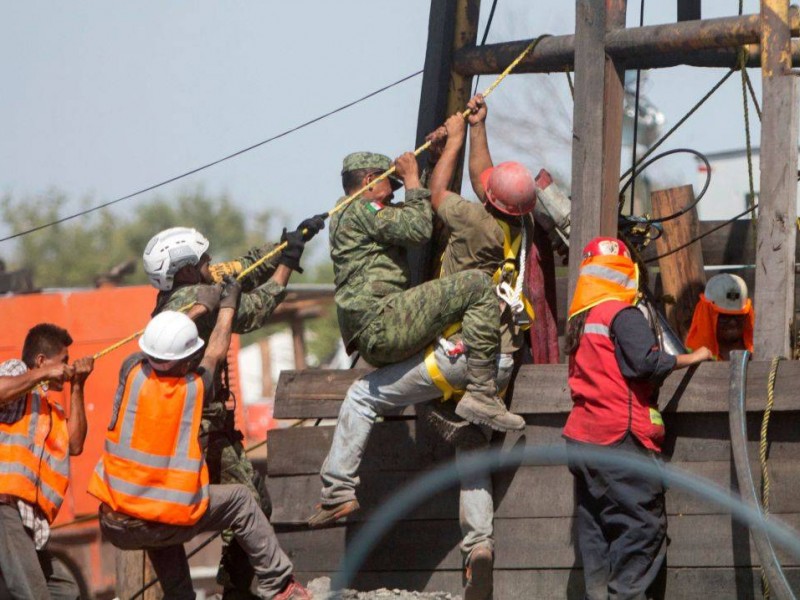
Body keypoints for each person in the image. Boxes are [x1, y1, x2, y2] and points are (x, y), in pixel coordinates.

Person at [309, 98, 533, 600]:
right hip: (500, 360)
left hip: (457, 356)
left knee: (365, 396)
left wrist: (434, 157)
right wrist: (474, 132)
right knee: (471, 448)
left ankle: (337, 487)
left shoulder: (470, 221)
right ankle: (479, 546)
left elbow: (428, 207)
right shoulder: (520, 225)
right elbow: (484, 175)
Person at [88, 279, 310, 600]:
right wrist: (227, 307)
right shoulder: (192, 389)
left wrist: (196, 310)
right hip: (152, 516)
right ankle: (282, 586)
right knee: (241, 501)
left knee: (164, 518)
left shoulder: (131, 372)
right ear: (186, 360)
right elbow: (216, 353)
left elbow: (160, 347)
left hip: (115, 519)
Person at [142, 220, 322, 597]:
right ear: (187, 270)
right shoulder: (189, 303)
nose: (212, 261)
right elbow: (256, 308)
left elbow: (240, 269)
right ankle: (239, 590)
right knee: (250, 507)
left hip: (211, 430)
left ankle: (236, 586)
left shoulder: (192, 288)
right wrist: (288, 262)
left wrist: (287, 242)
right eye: (204, 258)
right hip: (202, 434)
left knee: (255, 504)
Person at [329, 149, 523, 432]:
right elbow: (419, 227)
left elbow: (412, 211)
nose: (393, 195)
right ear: (370, 181)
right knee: (478, 284)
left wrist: (431, 162)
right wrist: (409, 178)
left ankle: (454, 408)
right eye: (389, 187)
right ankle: (482, 394)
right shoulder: (359, 208)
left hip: (379, 324)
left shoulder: (359, 212)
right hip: (384, 319)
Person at [563, 237, 712, 600]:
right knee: (643, 528)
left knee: (596, 527)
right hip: (620, 437)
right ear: (626, 272)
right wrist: (693, 358)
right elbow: (644, 363)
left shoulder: (581, 318)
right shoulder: (621, 313)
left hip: (583, 439)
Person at [0, 323, 95, 599]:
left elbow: (75, 443)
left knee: (67, 592)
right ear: (41, 360)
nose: (66, 368)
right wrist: (43, 373)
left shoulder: (50, 410)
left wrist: (78, 385)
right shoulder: (16, 373)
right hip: (5, 509)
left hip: (29, 522)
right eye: (63, 361)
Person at [685, 273, 754, 360]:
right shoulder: (691, 356)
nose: (732, 322)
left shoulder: (763, 349)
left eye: (738, 316)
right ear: (707, 316)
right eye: (724, 316)